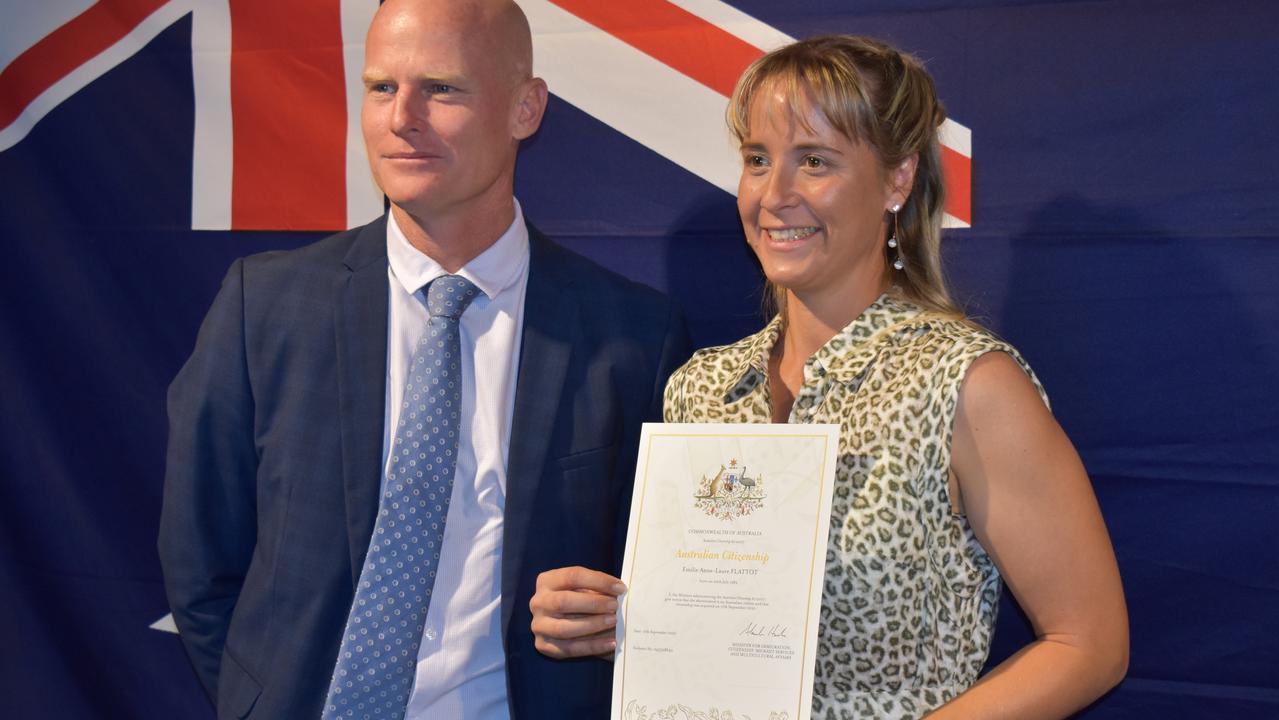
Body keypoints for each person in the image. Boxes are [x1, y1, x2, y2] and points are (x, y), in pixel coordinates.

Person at [530, 35, 1128, 719]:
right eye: (757, 160)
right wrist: (612, 621)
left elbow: (1090, 643)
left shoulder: (963, 383)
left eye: (813, 161)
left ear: (897, 180)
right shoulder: (700, 388)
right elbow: (717, 632)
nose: (774, 194)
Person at [158, 0, 689, 718]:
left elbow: (672, 586)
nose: (402, 117)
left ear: (525, 108)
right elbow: (200, 561)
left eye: (441, 88)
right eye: (381, 87)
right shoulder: (265, 306)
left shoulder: (631, 337)